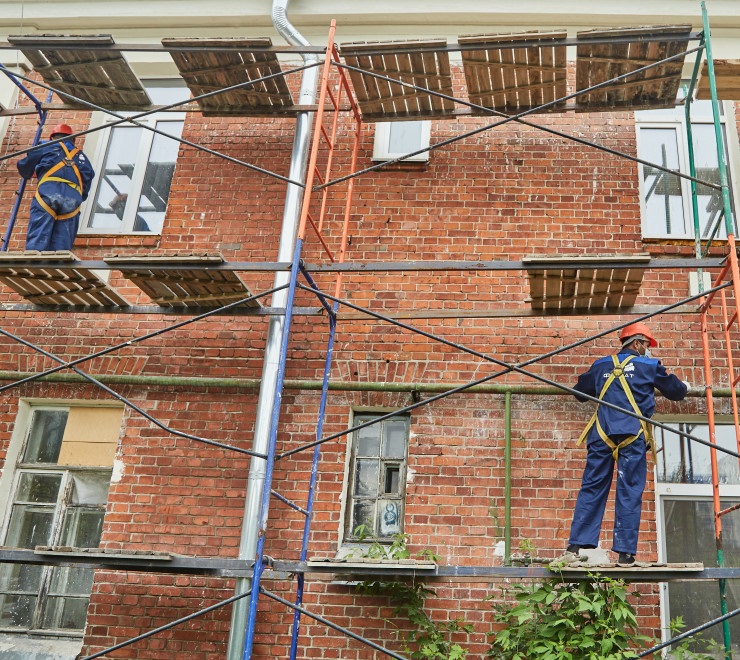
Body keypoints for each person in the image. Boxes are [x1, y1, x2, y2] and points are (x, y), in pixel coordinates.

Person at [553, 322, 689, 566]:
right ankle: (625, 554)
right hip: (632, 437)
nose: (649, 350)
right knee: (630, 490)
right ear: (636, 343)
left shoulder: (600, 365)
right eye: (647, 345)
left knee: (592, 488)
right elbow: (676, 392)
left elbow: (579, 393)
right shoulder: (649, 366)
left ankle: (574, 547)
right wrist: (686, 386)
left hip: (602, 436)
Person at [17, 123, 95, 251]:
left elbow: (24, 168)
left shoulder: (46, 147)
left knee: (38, 239)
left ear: (52, 138)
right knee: (61, 247)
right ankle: (58, 262)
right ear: (73, 140)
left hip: (48, 195)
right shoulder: (83, 158)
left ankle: (34, 261)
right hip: (72, 200)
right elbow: (85, 188)